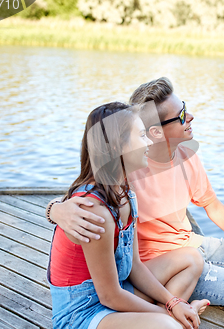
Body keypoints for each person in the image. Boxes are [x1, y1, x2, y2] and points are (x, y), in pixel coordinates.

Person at [47, 79, 224, 329]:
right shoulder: (123, 179)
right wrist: (56, 209)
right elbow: (84, 196)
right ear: (153, 133)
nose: (191, 118)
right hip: (127, 280)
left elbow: (212, 204)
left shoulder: (134, 186)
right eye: (182, 115)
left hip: (183, 250)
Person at [47, 101, 209, 329]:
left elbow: (134, 266)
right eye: (142, 135)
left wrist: (173, 303)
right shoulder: (94, 211)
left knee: (191, 258)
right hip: (81, 313)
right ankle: (169, 320)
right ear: (117, 147)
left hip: (117, 288)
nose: (149, 142)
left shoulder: (124, 192)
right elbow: (110, 297)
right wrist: (167, 313)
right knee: (167, 326)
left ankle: (169, 316)